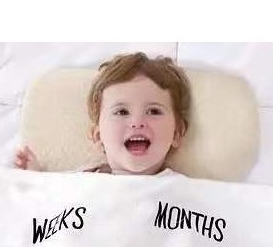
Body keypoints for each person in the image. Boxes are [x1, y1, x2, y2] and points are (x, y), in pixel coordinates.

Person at [13, 52, 191, 176]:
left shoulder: (187, 192)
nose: (137, 122)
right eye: (122, 112)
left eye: (153, 111)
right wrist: (36, 180)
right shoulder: (81, 182)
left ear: (177, 133)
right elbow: (50, 203)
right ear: (98, 136)